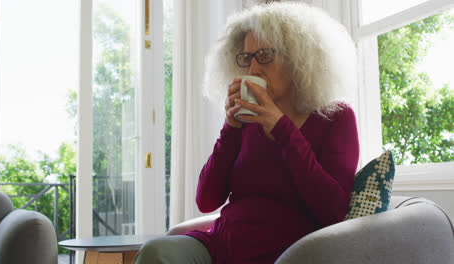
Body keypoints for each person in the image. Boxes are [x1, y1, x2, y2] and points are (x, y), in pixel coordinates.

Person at [134, 2, 359, 264]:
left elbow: (332, 212)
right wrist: (230, 128)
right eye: (247, 58)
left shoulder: (336, 117)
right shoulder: (245, 122)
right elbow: (205, 200)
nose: (253, 69)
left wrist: (281, 127)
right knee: (155, 251)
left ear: (297, 58)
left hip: (288, 254)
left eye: (264, 55)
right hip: (219, 246)